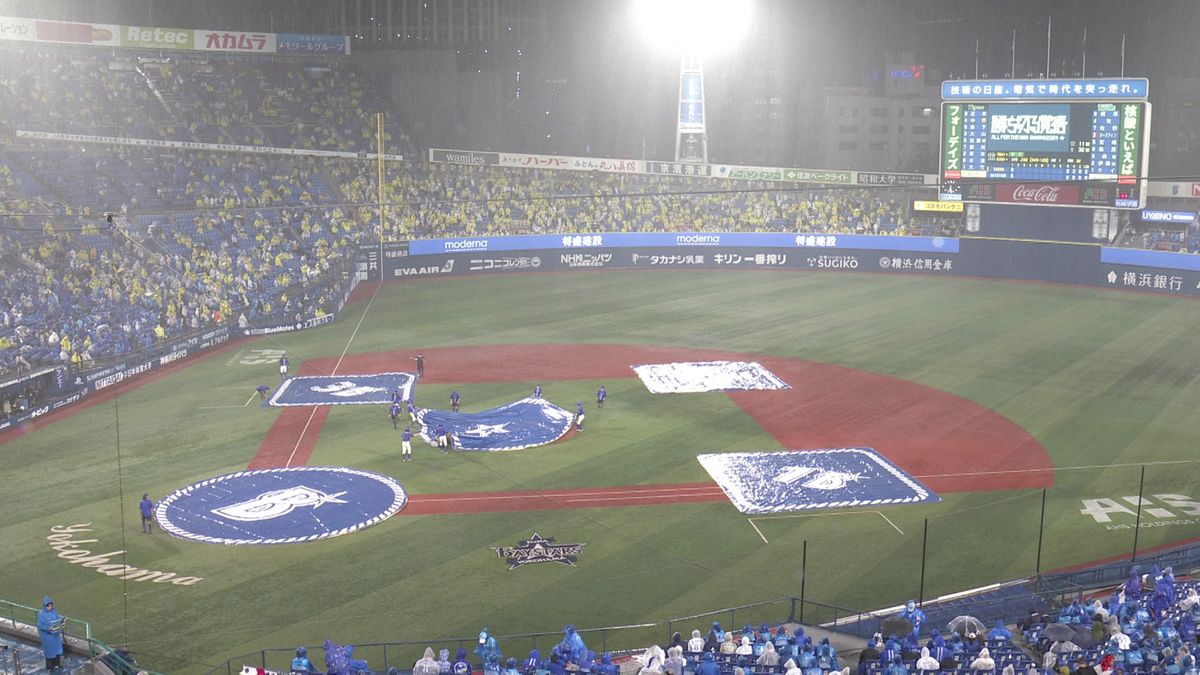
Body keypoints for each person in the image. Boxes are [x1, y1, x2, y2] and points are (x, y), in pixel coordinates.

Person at [37, 596, 64, 671]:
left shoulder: (54, 611)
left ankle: (57, 664)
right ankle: (50, 667)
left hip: (55, 635)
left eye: (51, 606)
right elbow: (40, 625)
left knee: (57, 650)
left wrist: (61, 623)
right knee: (49, 652)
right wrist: (47, 629)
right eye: (48, 606)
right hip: (47, 637)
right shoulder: (41, 615)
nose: (50, 607)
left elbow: (57, 619)